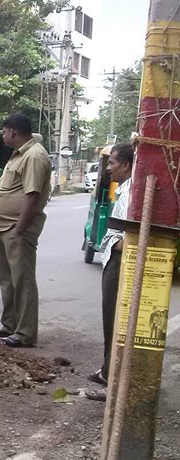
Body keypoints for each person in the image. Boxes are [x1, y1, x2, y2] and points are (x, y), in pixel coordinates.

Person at [0, 113, 53, 348]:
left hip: (17, 228)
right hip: (4, 226)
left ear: (13, 131)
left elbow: (32, 195)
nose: (3, 136)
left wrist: (21, 228)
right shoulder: (19, 154)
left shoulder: (34, 155)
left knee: (22, 280)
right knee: (7, 280)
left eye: (4, 132)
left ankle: (25, 333)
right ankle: (9, 324)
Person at [86, 142, 134, 398]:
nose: (108, 168)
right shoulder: (124, 188)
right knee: (110, 320)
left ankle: (113, 383)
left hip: (119, 262)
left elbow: (131, 238)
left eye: (112, 163)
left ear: (125, 165)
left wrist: (114, 245)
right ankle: (107, 371)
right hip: (113, 260)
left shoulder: (130, 192)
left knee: (116, 321)